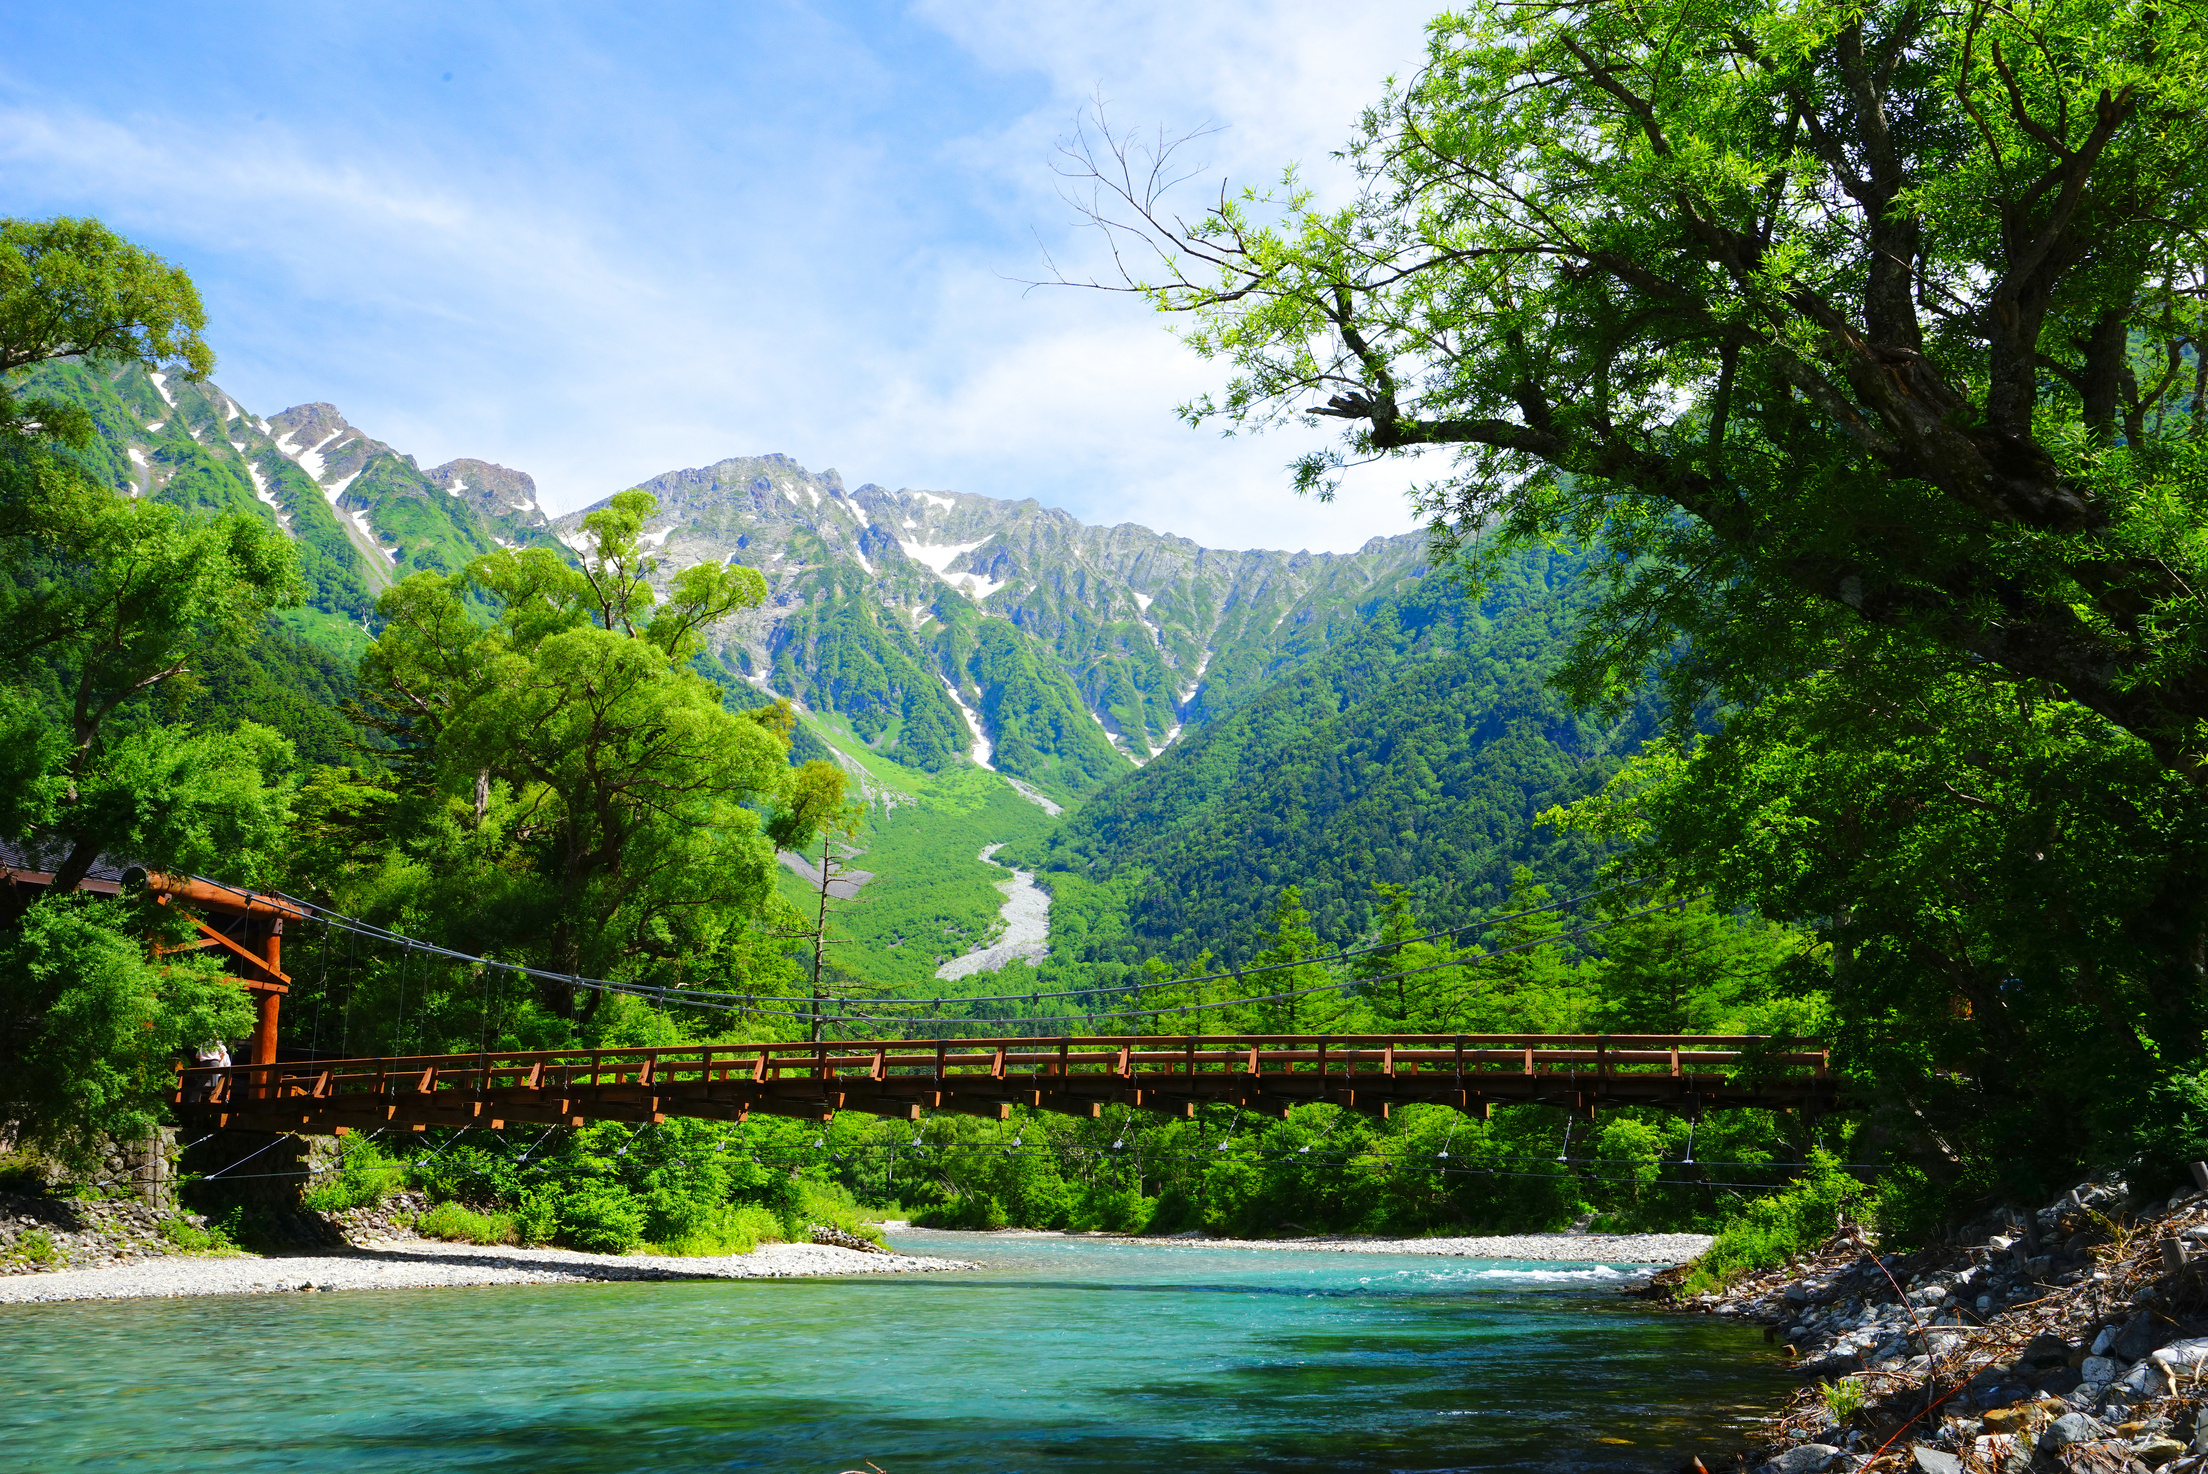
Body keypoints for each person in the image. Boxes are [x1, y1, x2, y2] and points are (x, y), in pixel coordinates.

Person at [185, 1038, 231, 1103]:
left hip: (203, 1063)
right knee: (214, 1082)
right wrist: (218, 1060)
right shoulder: (216, 1042)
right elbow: (223, 1052)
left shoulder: (203, 1043)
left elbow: (197, 1056)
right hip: (214, 1062)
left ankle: (193, 1099)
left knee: (202, 1081)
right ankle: (214, 1099)